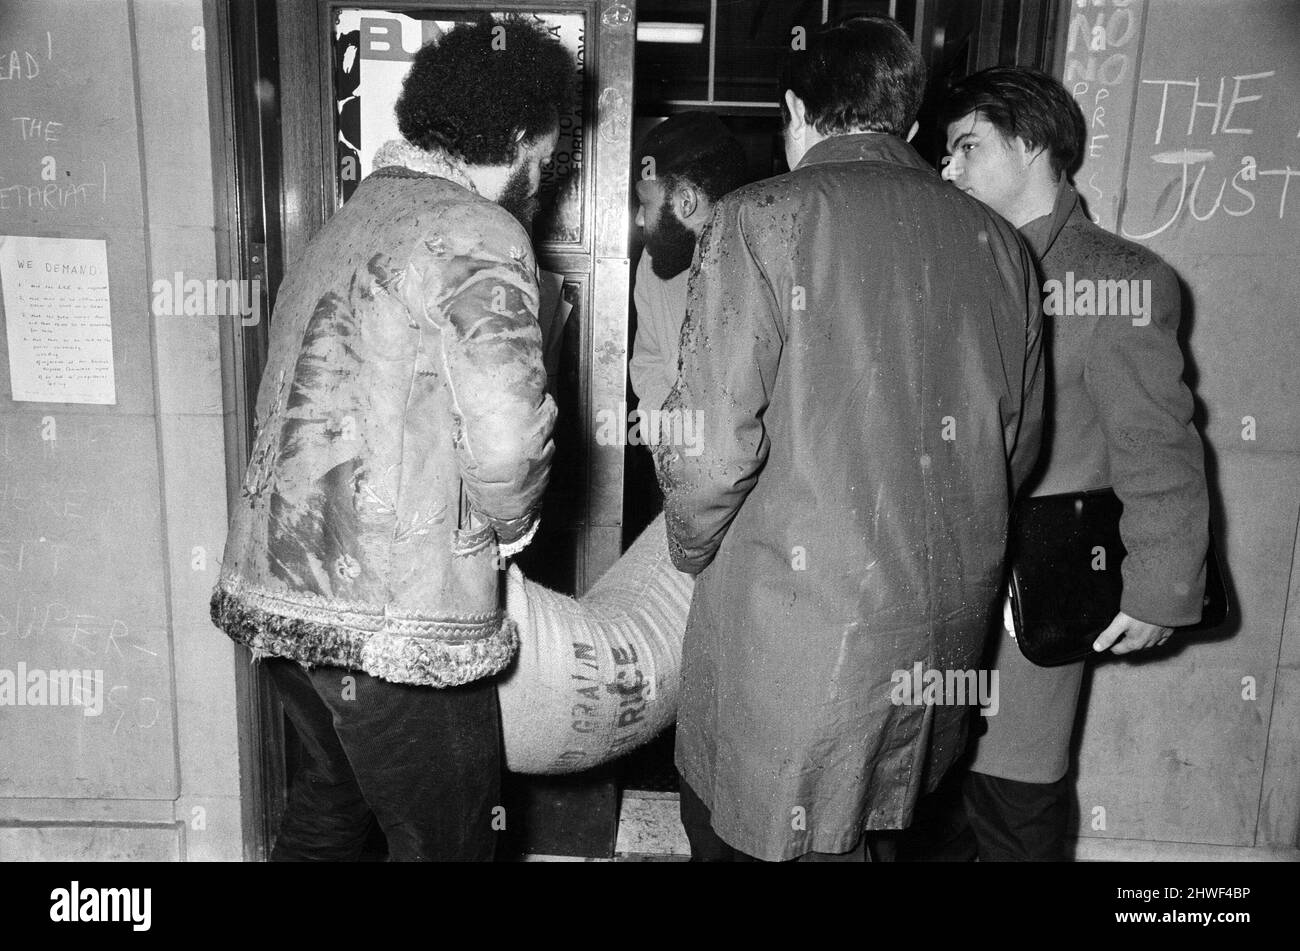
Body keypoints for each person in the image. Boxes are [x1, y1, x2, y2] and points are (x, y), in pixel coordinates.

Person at [653, 16, 1044, 862]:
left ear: (796, 108)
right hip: (934, 637)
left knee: (753, 830)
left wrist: (688, 547)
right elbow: (1019, 444)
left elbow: (709, 450)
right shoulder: (1004, 247)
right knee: (873, 828)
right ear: (907, 123)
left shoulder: (757, 221)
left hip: (792, 639)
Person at [209, 17, 574, 862]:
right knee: (451, 840)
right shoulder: (480, 232)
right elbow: (510, 436)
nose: (541, 179)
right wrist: (508, 527)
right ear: (518, 138)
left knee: (329, 815)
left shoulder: (346, 222)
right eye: (543, 158)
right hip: (398, 622)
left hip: (282, 602)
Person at [938, 66, 1209, 861]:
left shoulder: (1119, 279)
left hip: (1034, 600)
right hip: (937, 602)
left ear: (1028, 145)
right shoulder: (951, 262)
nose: (947, 169)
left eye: (966, 147)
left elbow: (1158, 446)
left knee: (1014, 804)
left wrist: (1160, 584)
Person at [629, 112, 749, 417]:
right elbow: (648, 362)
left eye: (645, 203)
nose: (639, 220)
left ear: (686, 201)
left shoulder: (760, 262)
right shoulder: (652, 261)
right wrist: (665, 438)